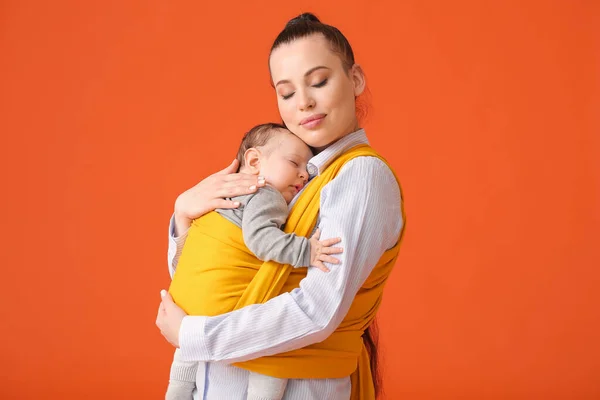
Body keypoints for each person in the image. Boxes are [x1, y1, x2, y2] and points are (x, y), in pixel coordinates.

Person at [156, 13, 405, 400]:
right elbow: (221, 280)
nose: (303, 102)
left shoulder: (361, 176)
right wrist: (184, 215)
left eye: (319, 81)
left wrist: (193, 335)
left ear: (354, 79)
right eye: (286, 92)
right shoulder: (287, 175)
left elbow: (317, 310)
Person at [165, 122, 344, 400]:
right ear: (254, 161)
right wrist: (308, 250)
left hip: (186, 303)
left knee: (185, 364)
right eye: (294, 162)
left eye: (307, 171)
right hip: (219, 307)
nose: (302, 175)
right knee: (274, 358)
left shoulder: (221, 196)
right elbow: (261, 240)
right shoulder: (265, 194)